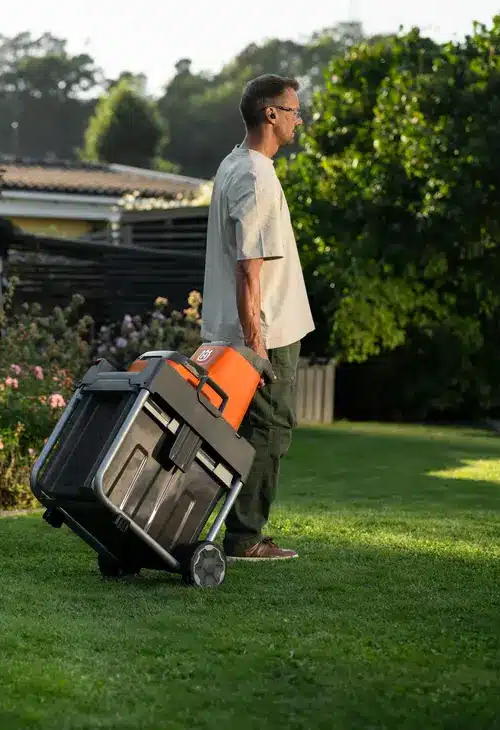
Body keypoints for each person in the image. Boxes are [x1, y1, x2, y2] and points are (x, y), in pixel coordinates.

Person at [200, 74, 315, 561]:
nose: (298, 120)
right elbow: (249, 270)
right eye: (293, 111)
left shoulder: (233, 164)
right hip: (264, 334)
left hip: (229, 330)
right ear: (271, 114)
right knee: (269, 431)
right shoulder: (255, 176)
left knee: (233, 432)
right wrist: (258, 346)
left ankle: (218, 528)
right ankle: (245, 538)